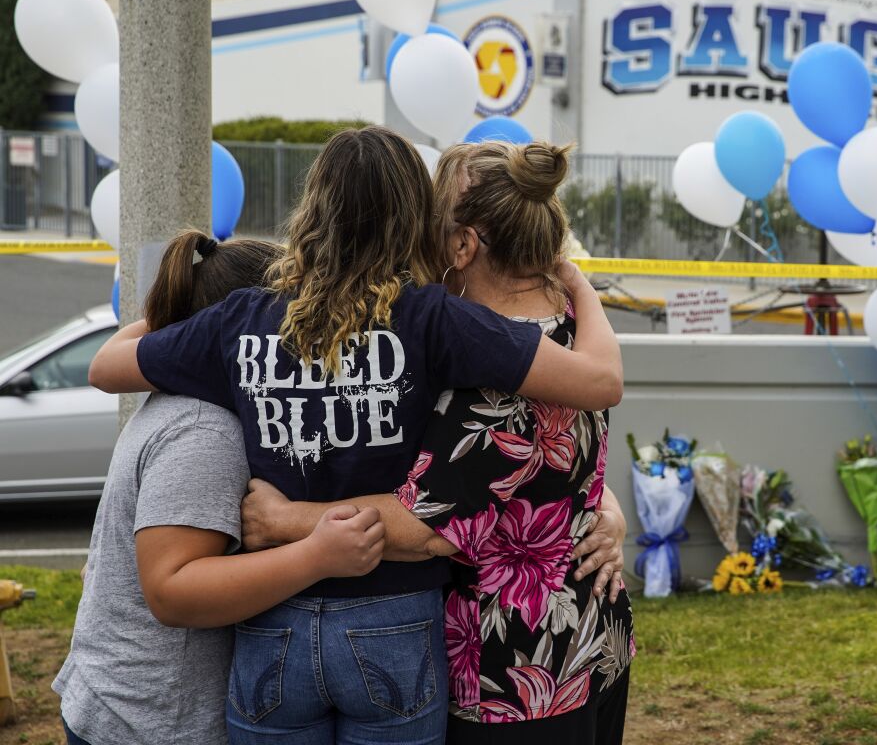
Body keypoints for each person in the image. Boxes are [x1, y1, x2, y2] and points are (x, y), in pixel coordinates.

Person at [87, 126, 624, 743]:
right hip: (394, 619)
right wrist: (578, 283)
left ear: (312, 208)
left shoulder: (242, 318)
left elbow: (106, 367)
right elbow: (594, 383)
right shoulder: (433, 317)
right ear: (414, 219)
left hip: (274, 615)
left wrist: (184, 303)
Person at [239, 141, 634, 745]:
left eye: (430, 224)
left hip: (514, 676)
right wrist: (607, 508)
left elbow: (427, 529)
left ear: (463, 246)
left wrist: (285, 519)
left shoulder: (497, 386)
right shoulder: (572, 335)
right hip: (584, 644)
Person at [54, 231, 387, 745]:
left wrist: (197, 305)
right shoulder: (206, 431)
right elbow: (172, 591)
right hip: (151, 722)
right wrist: (318, 556)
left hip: (127, 706)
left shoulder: (184, 402)